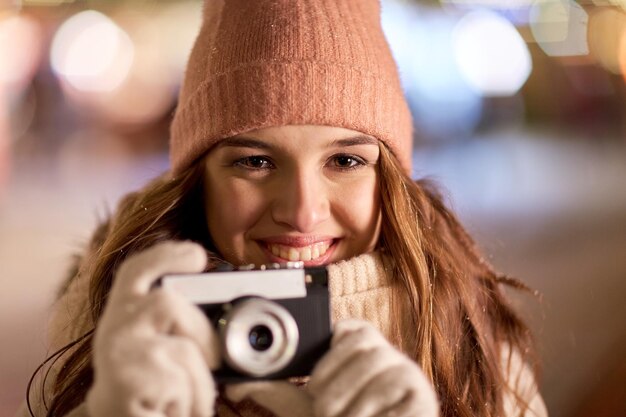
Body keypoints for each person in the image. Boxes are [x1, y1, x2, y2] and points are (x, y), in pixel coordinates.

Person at [21, 1, 548, 416]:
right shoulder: (109, 331)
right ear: (197, 179)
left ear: (389, 179)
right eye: (255, 161)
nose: (301, 212)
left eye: (344, 159)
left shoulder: (467, 339)